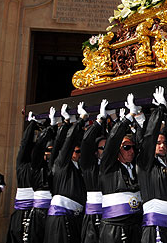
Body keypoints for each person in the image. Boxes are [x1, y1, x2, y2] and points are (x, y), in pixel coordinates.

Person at [99, 94, 143, 243]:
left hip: (135, 227)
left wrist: (140, 118)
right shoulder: (108, 167)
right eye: (126, 147)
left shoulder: (135, 167)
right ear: (117, 151)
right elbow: (112, 140)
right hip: (114, 229)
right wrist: (128, 117)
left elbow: (145, 144)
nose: (131, 151)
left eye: (132, 147)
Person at [44, 102, 88, 243]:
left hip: (76, 218)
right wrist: (78, 121)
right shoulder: (62, 163)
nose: (78, 153)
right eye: (76, 151)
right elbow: (66, 142)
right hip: (61, 219)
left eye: (79, 151)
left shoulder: (79, 166)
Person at [137, 87, 167, 243]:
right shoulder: (146, 163)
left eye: (164, 143)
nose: (162, 146)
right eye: (158, 143)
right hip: (155, 227)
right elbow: (149, 137)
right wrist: (160, 109)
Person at [28, 106, 61, 243]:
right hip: (39, 211)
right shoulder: (37, 165)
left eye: (52, 151)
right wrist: (50, 127)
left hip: (55, 211)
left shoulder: (57, 166)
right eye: (47, 151)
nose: (48, 154)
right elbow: (37, 148)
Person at [7, 112, 39, 243]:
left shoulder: (39, 167)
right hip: (21, 211)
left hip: (35, 211)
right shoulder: (21, 166)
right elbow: (24, 144)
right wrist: (31, 125)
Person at [80, 100, 108, 243]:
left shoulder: (112, 167)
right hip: (92, 217)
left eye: (107, 148)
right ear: (96, 152)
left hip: (110, 217)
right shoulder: (89, 166)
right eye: (101, 148)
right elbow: (86, 143)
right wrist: (98, 121)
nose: (104, 151)